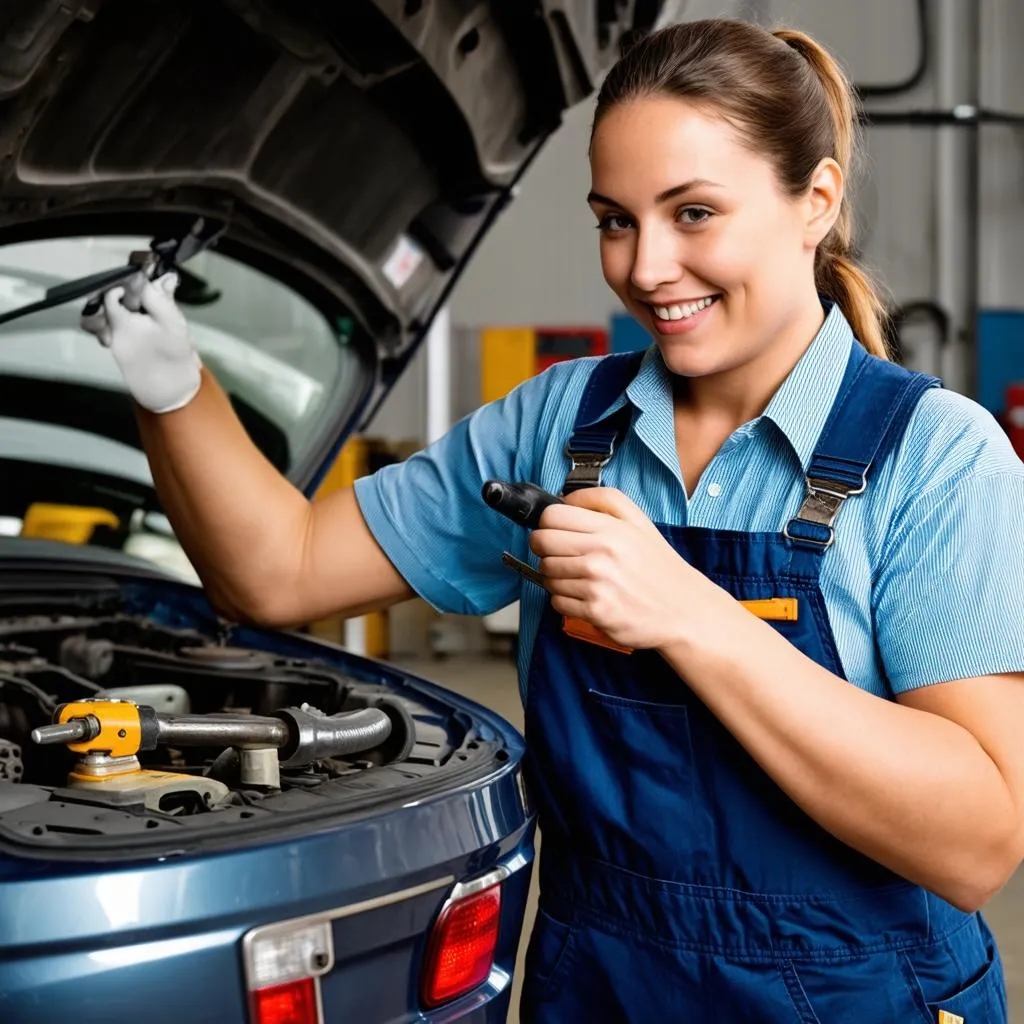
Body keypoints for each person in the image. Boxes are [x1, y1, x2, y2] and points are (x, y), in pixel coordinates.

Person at [83, 17, 1024, 1023]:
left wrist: (689, 613)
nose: (647, 267)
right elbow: (277, 570)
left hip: (859, 996)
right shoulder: (559, 424)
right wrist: (174, 386)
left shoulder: (933, 455)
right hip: (604, 986)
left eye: (693, 212)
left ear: (816, 201)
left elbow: (972, 841)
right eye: (613, 220)